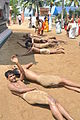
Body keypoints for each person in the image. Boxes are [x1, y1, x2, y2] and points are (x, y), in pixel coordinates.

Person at [5, 69, 73, 120]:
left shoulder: (19, 80)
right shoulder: (10, 85)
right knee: (51, 102)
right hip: (27, 95)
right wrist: (32, 88)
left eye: (13, 75)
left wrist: (17, 62)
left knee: (55, 101)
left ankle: (70, 119)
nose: (13, 77)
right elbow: (20, 90)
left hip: (34, 92)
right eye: (10, 76)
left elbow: (22, 72)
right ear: (7, 79)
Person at [5, 55, 80, 93]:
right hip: (43, 79)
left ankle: (78, 90)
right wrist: (17, 63)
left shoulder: (24, 72)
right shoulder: (21, 72)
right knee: (64, 80)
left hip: (42, 81)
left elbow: (30, 64)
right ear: (16, 70)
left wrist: (20, 66)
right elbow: (22, 70)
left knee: (63, 84)